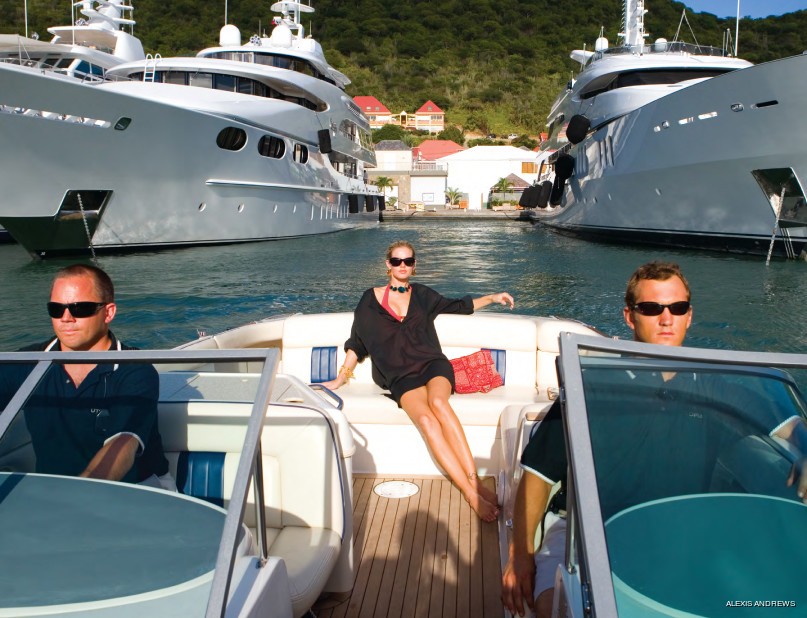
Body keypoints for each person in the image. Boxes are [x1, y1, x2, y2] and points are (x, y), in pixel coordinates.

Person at [501, 261, 807, 617]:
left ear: (689, 316)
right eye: (651, 308)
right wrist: (520, 556)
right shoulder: (591, 386)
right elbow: (538, 476)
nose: (666, 319)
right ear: (630, 317)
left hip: (678, 526)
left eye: (677, 308)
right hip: (584, 529)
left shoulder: (715, 388)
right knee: (554, 605)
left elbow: (786, 424)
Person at [322, 240, 514, 521]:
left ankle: (474, 480)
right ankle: (470, 494)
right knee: (426, 420)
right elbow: (357, 342)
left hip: (433, 365)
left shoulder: (423, 295)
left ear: (414, 265)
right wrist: (341, 378)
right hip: (400, 376)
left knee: (439, 403)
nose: (402, 266)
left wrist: (493, 297)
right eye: (397, 261)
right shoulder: (369, 300)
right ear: (388, 265)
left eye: (408, 261)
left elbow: (460, 305)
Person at [0, 264, 173, 489]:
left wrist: (80, 494)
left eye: (80, 308)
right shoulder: (26, 363)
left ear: (108, 312)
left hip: (138, 490)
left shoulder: (135, 370)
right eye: (56, 309)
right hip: (55, 492)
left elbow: (122, 444)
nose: (66, 318)